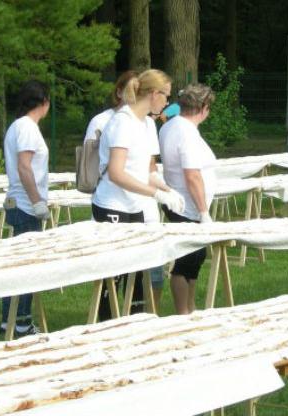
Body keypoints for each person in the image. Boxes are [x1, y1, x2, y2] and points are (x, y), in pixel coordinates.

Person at [91, 69, 185, 320]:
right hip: (112, 205)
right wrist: (156, 194)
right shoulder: (122, 122)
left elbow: (148, 170)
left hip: (135, 207)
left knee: (138, 269)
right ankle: (105, 325)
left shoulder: (148, 124)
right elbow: (117, 173)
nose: (167, 102)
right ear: (154, 94)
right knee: (113, 273)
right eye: (166, 95)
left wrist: (167, 189)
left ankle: (134, 321)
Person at [159, 83, 217, 315]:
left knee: (196, 257)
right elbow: (192, 175)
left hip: (181, 201)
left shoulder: (172, 126)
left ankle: (190, 308)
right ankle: (183, 312)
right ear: (204, 108)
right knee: (186, 261)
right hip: (187, 205)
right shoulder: (186, 132)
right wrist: (204, 213)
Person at [0, 80, 51, 337]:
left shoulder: (17, 126)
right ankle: (21, 322)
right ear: (44, 104)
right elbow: (24, 166)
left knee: (16, 264)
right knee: (27, 266)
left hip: (19, 203)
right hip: (25, 205)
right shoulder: (28, 128)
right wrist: (37, 202)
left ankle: (8, 319)